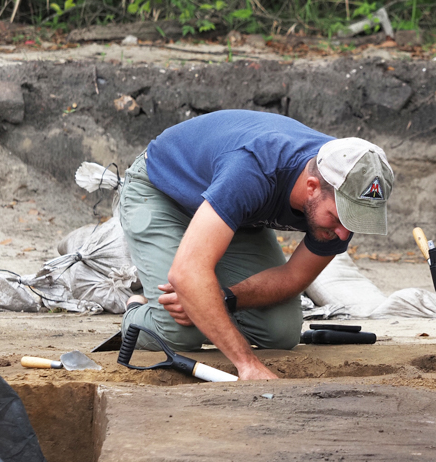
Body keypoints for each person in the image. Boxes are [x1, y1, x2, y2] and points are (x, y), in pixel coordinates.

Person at [118, 109, 395, 380]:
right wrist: (246, 364)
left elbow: (293, 277)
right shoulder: (254, 169)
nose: (344, 235)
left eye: (354, 221)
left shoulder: (347, 187)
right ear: (311, 187)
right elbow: (187, 272)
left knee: (280, 333)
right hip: (163, 192)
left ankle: (195, 299)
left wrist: (223, 297)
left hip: (234, 216)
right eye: (337, 218)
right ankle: (137, 308)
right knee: (179, 332)